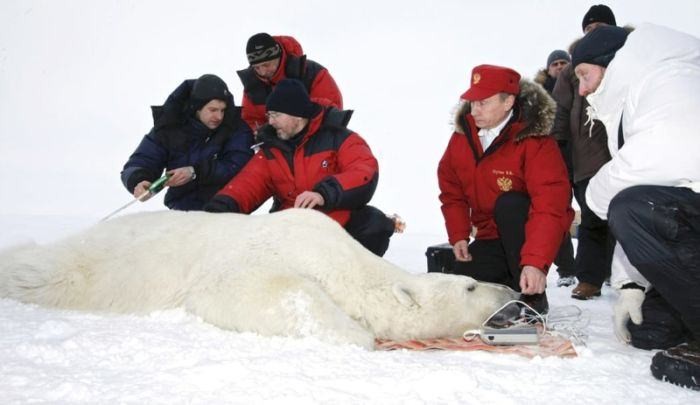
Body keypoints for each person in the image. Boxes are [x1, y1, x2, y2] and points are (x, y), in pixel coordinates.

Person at [572, 24, 700, 390]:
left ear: (609, 63)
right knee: (646, 329)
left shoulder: (670, 78)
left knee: (629, 206)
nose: (581, 89)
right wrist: (630, 284)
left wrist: (596, 196)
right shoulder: (636, 96)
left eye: (584, 75)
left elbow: (668, 154)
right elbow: (650, 188)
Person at [204, 79, 400, 257]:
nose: (270, 121)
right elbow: (246, 185)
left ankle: (355, 284)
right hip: (292, 231)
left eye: (276, 115)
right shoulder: (271, 150)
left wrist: (324, 194)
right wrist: (218, 209)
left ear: (297, 115)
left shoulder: (339, 138)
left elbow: (364, 171)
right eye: (269, 115)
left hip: (337, 226)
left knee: (375, 223)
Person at [437, 65, 574, 313]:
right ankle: (509, 284)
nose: (474, 110)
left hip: (530, 235)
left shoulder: (535, 141)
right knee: (459, 290)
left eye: (483, 103)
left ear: (508, 101)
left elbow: (550, 206)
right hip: (490, 237)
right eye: (472, 102)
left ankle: (532, 295)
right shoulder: (461, 138)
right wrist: (458, 234)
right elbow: (451, 190)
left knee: (510, 203)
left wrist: (535, 263)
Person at [550, 6, 618, 299]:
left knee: (627, 217)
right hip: (585, 158)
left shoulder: (626, 60)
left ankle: (628, 279)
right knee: (591, 218)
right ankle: (589, 279)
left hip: (620, 152)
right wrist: (557, 148)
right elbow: (560, 111)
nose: (594, 33)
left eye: (601, 27)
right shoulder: (572, 70)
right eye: (589, 29)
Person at [121, 74, 254, 211]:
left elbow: (238, 165)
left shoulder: (236, 128)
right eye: (213, 110)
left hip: (226, 207)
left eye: (223, 110)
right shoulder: (170, 126)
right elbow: (142, 159)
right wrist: (139, 180)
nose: (219, 116)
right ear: (197, 108)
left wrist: (195, 172)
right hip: (182, 210)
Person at [237, 33, 343, 131]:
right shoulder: (252, 85)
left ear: (278, 57)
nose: (263, 72)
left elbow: (331, 114)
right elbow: (250, 121)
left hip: (315, 142)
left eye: (266, 65)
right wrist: (265, 133)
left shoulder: (312, 73)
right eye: (257, 68)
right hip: (276, 147)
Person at [534, 49, 577, 287]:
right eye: (555, 64)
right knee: (557, 212)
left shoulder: (583, 85)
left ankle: (603, 271)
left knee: (597, 214)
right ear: (548, 69)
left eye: (564, 63)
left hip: (581, 157)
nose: (559, 67)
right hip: (552, 159)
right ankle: (567, 269)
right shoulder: (537, 97)